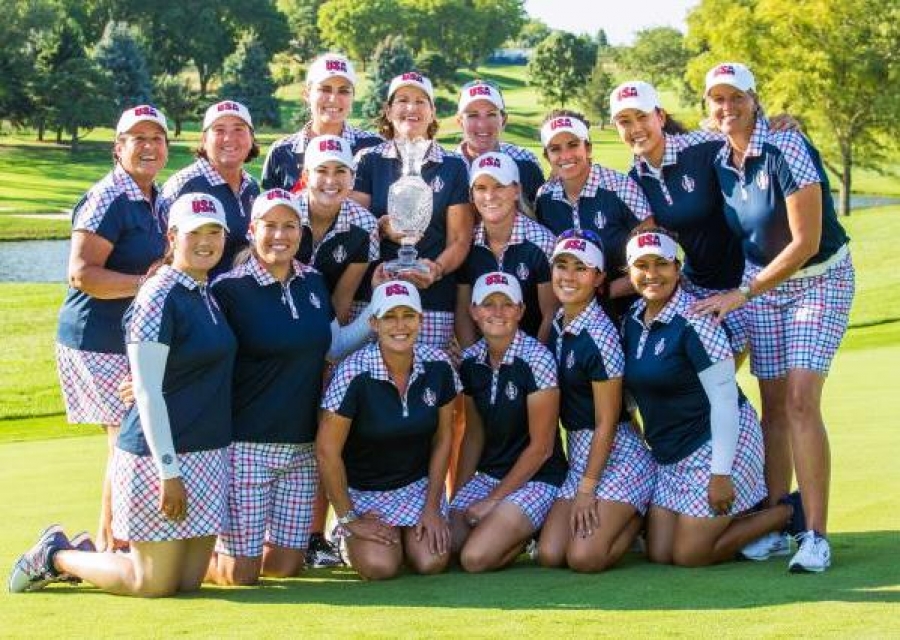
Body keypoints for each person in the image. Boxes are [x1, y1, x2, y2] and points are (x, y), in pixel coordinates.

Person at [10, 193, 236, 596]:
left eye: (214, 231)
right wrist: (169, 472)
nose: (206, 241)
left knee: (187, 583)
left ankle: (81, 555)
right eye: (194, 232)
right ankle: (55, 556)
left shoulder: (205, 291)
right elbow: (147, 391)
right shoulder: (157, 294)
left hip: (208, 451)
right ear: (172, 236)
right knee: (150, 583)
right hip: (159, 457)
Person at [693, 63, 855, 573]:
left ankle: (816, 535)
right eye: (717, 99)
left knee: (803, 402)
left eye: (735, 97)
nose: (726, 107)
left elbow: (805, 243)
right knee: (776, 408)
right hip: (762, 287)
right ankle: (778, 521)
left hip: (819, 281)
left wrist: (745, 292)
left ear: (754, 99)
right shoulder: (720, 158)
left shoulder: (788, 148)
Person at [205, 189, 373, 585]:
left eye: (289, 226)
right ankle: (188, 559)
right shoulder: (228, 289)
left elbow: (333, 346)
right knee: (239, 575)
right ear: (252, 230)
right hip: (246, 445)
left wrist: (380, 306)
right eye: (270, 226)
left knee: (284, 566)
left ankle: (227, 550)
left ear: (301, 232)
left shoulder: (313, 282)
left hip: (302, 448)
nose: (280, 235)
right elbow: (202, 352)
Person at [622, 228, 805, 568]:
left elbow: (723, 402)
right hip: (672, 455)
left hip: (718, 445)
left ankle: (788, 511)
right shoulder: (631, 321)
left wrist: (720, 474)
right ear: (628, 271)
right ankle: (733, 522)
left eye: (661, 264)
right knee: (660, 552)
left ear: (678, 269)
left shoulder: (697, 320)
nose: (651, 274)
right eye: (641, 265)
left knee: (690, 554)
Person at [54, 105, 170, 553]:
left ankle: (115, 540)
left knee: (132, 434)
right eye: (137, 138)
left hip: (126, 338)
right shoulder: (108, 197)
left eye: (156, 138)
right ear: (118, 148)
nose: (148, 146)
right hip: (95, 339)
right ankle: (110, 546)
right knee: (127, 438)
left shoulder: (153, 196)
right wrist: (148, 285)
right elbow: (82, 273)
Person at [316, 281, 459, 580]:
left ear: (421, 319)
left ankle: (407, 537)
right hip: (364, 493)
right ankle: (344, 536)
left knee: (431, 562)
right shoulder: (353, 372)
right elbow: (327, 451)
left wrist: (432, 507)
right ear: (373, 322)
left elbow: (444, 437)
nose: (400, 325)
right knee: (381, 567)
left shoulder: (439, 365)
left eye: (408, 315)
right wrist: (349, 517)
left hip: (417, 489)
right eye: (389, 316)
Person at [537, 231, 656, 572]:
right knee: (550, 554)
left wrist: (587, 490)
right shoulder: (559, 322)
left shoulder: (600, 337)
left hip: (618, 456)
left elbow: (607, 423)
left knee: (584, 558)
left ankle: (639, 516)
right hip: (581, 454)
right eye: (562, 266)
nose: (569, 276)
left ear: (599, 278)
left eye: (581, 268)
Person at [609, 81, 748, 356]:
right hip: (698, 288)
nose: (636, 128)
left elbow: (751, 136)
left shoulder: (705, 146)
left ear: (659, 117)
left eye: (642, 117)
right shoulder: (634, 181)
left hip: (748, 283)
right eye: (625, 121)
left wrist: (779, 122)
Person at [451, 272, 566, 572]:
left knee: (475, 559)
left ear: (521, 311)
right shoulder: (471, 361)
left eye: (507, 304)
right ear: (474, 311)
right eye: (488, 304)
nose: (498, 312)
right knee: (445, 546)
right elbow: (474, 436)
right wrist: (458, 497)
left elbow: (542, 448)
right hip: (490, 476)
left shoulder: (537, 360)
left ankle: (531, 532)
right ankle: (508, 527)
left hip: (538, 478)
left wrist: (492, 501)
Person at [350, 71, 474, 351]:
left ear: (432, 113)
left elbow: (460, 239)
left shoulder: (453, 165)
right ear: (388, 110)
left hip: (431, 300)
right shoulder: (368, 160)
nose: (411, 108)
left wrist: (437, 269)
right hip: (373, 297)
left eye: (421, 101)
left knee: (425, 384)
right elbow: (353, 227)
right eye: (402, 100)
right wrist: (382, 228)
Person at [535, 110, 654, 306]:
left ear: (588, 148)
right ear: (547, 156)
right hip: (571, 308)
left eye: (573, 145)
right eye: (555, 149)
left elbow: (652, 261)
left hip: (629, 305)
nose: (565, 155)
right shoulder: (544, 198)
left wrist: (603, 293)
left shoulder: (621, 187)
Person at [455, 151, 557, 346]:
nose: (489, 196)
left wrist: (531, 362)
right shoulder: (466, 244)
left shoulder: (543, 242)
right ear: (471, 194)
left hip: (532, 355)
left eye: (499, 186)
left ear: (516, 190)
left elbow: (550, 315)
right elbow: (463, 313)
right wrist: (472, 360)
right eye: (481, 187)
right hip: (483, 360)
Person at [160, 100, 260, 277]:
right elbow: (161, 254)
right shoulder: (183, 185)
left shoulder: (251, 186)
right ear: (204, 140)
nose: (229, 138)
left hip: (238, 296)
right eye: (219, 130)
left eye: (238, 129)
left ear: (251, 139)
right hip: (196, 298)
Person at [261, 52, 381, 192]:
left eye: (343, 91)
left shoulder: (374, 147)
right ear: (307, 94)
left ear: (353, 97)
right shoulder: (281, 152)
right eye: (325, 89)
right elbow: (270, 210)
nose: (333, 99)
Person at [296, 135, 379, 324]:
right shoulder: (285, 214)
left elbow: (342, 299)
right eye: (322, 171)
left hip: (325, 319)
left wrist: (329, 346)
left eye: (340, 171)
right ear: (306, 176)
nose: (331, 180)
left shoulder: (366, 225)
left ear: (352, 177)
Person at [454, 80, 544, 206]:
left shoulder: (525, 161)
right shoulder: (446, 167)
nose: (482, 124)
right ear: (459, 122)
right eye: (473, 115)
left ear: (504, 120)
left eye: (491, 114)